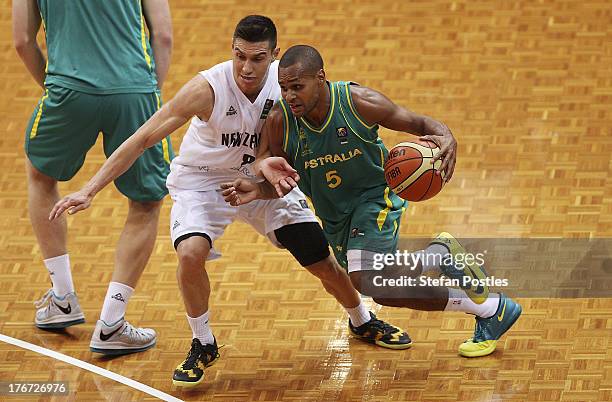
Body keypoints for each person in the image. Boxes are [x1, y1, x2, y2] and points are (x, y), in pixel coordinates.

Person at [49, 16, 411, 388]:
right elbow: (142, 138)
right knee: (190, 253)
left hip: (258, 180)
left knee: (318, 255)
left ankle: (361, 318)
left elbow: (324, 109)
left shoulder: (287, 83)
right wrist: (89, 189)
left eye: (257, 59)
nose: (246, 68)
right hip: (202, 183)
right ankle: (202, 341)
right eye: (240, 56)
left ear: (274, 55)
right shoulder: (206, 89)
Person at [221, 45, 522, 358]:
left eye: (298, 87)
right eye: (284, 88)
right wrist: (258, 189)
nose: (290, 95)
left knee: (368, 281)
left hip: (374, 198)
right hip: (335, 216)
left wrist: (447, 136)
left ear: (321, 78)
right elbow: (283, 180)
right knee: (384, 287)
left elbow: (419, 123)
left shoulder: (357, 102)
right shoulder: (280, 122)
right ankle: (442, 259)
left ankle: (491, 308)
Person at [13, 0, 173, 355]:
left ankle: (62, 298)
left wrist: (58, 87)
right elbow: (162, 36)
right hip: (135, 91)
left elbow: (23, 41)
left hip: (68, 90)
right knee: (146, 200)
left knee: (41, 177)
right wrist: (149, 95)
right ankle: (112, 322)